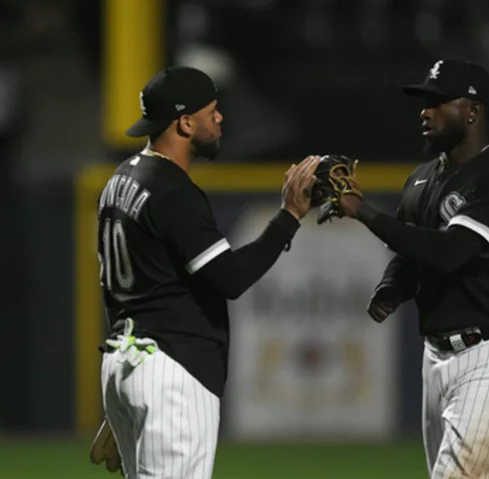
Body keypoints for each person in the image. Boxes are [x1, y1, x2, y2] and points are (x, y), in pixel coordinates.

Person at [92, 66, 319, 479]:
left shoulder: (119, 179)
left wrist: (126, 396)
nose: (219, 119)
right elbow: (230, 278)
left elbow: (119, 287)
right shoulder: (172, 190)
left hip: (125, 360)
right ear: (184, 122)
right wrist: (289, 216)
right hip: (171, 369)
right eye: (210, 111)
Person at [337, 59, 489, 478]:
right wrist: (394, 284)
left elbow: (450, 251)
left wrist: (361, 211)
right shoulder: (420, 179)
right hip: (436, 356)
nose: (425, 111)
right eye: (424, 101)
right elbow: (415, 249)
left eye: (438, 101)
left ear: (472, 110)